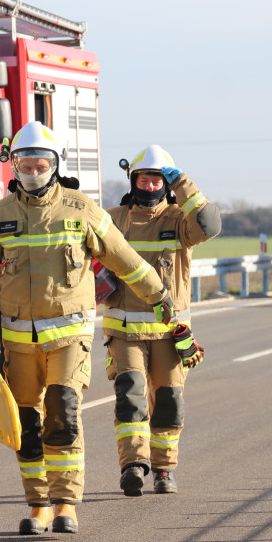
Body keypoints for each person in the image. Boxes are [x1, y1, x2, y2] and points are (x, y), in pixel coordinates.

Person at [0, 123, 175, 536]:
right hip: (17, 340)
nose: (32, 171)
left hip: (69, 338)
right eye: (25, 164)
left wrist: (159, 296)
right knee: (26, 424)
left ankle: (66, 503)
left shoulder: (83, 211)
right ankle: (38, 504)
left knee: (62, 410)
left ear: (56, 165)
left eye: (40, 164)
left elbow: (125, 260)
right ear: (15, 166)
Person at [103, 145, 220, 496]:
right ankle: (134, 465)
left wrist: (183, 183)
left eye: (157, 179)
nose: (150, 185)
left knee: (169, 400)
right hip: (125, 333)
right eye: (143, 177)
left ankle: (164, 469)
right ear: (132, 180)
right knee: (132, 396)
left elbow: (209, 223)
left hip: (170, 334)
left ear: (166, 184)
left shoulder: (180, 222)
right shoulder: (114, 219)